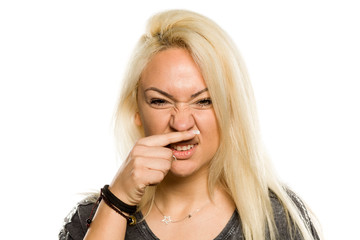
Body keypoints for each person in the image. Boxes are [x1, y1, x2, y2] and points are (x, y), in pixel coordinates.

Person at [59, 9, 321, 240]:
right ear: (136, 110)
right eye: (160, 101)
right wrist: (118, 201)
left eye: (204, 101)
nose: (181, 122)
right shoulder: (92, 219)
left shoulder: (278, 219)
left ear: (231, 109)